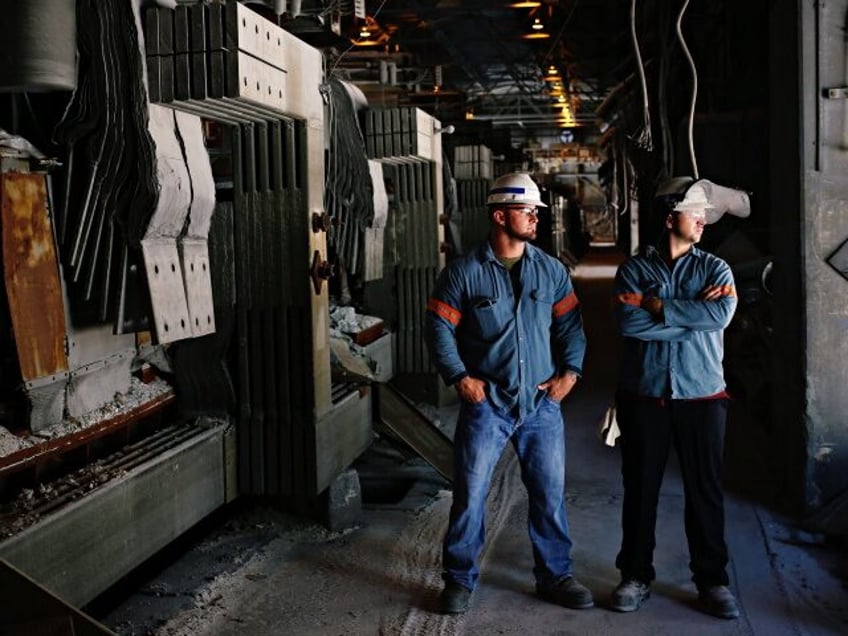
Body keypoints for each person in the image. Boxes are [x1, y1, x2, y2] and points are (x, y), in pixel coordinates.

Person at [425, 172, 592, 614]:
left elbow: (571, 327)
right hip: (488, 406)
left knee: (549, 495)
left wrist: (569, 374)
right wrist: (461, 377)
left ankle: (555, 576)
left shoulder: (550, 270)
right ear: (500, 216)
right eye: (527, 211)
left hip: (540, 405)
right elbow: (439, 328)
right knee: (470, 495)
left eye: (537, 212)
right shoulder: (463, 274)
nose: (535, 218)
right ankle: (459, 580)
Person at [610, 177, 741, 619]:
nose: (702, 221)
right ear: (670, 218)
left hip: (702, 394)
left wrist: (660, 307)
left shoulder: (716, 270)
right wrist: (691, 317)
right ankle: (635, 575)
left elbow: (720, 316)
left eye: (704, 214)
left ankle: (712, 581)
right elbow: (630, 326)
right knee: (640, 488)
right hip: (645, 396)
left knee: (705, 491)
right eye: (694, 213)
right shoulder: (633, 270)